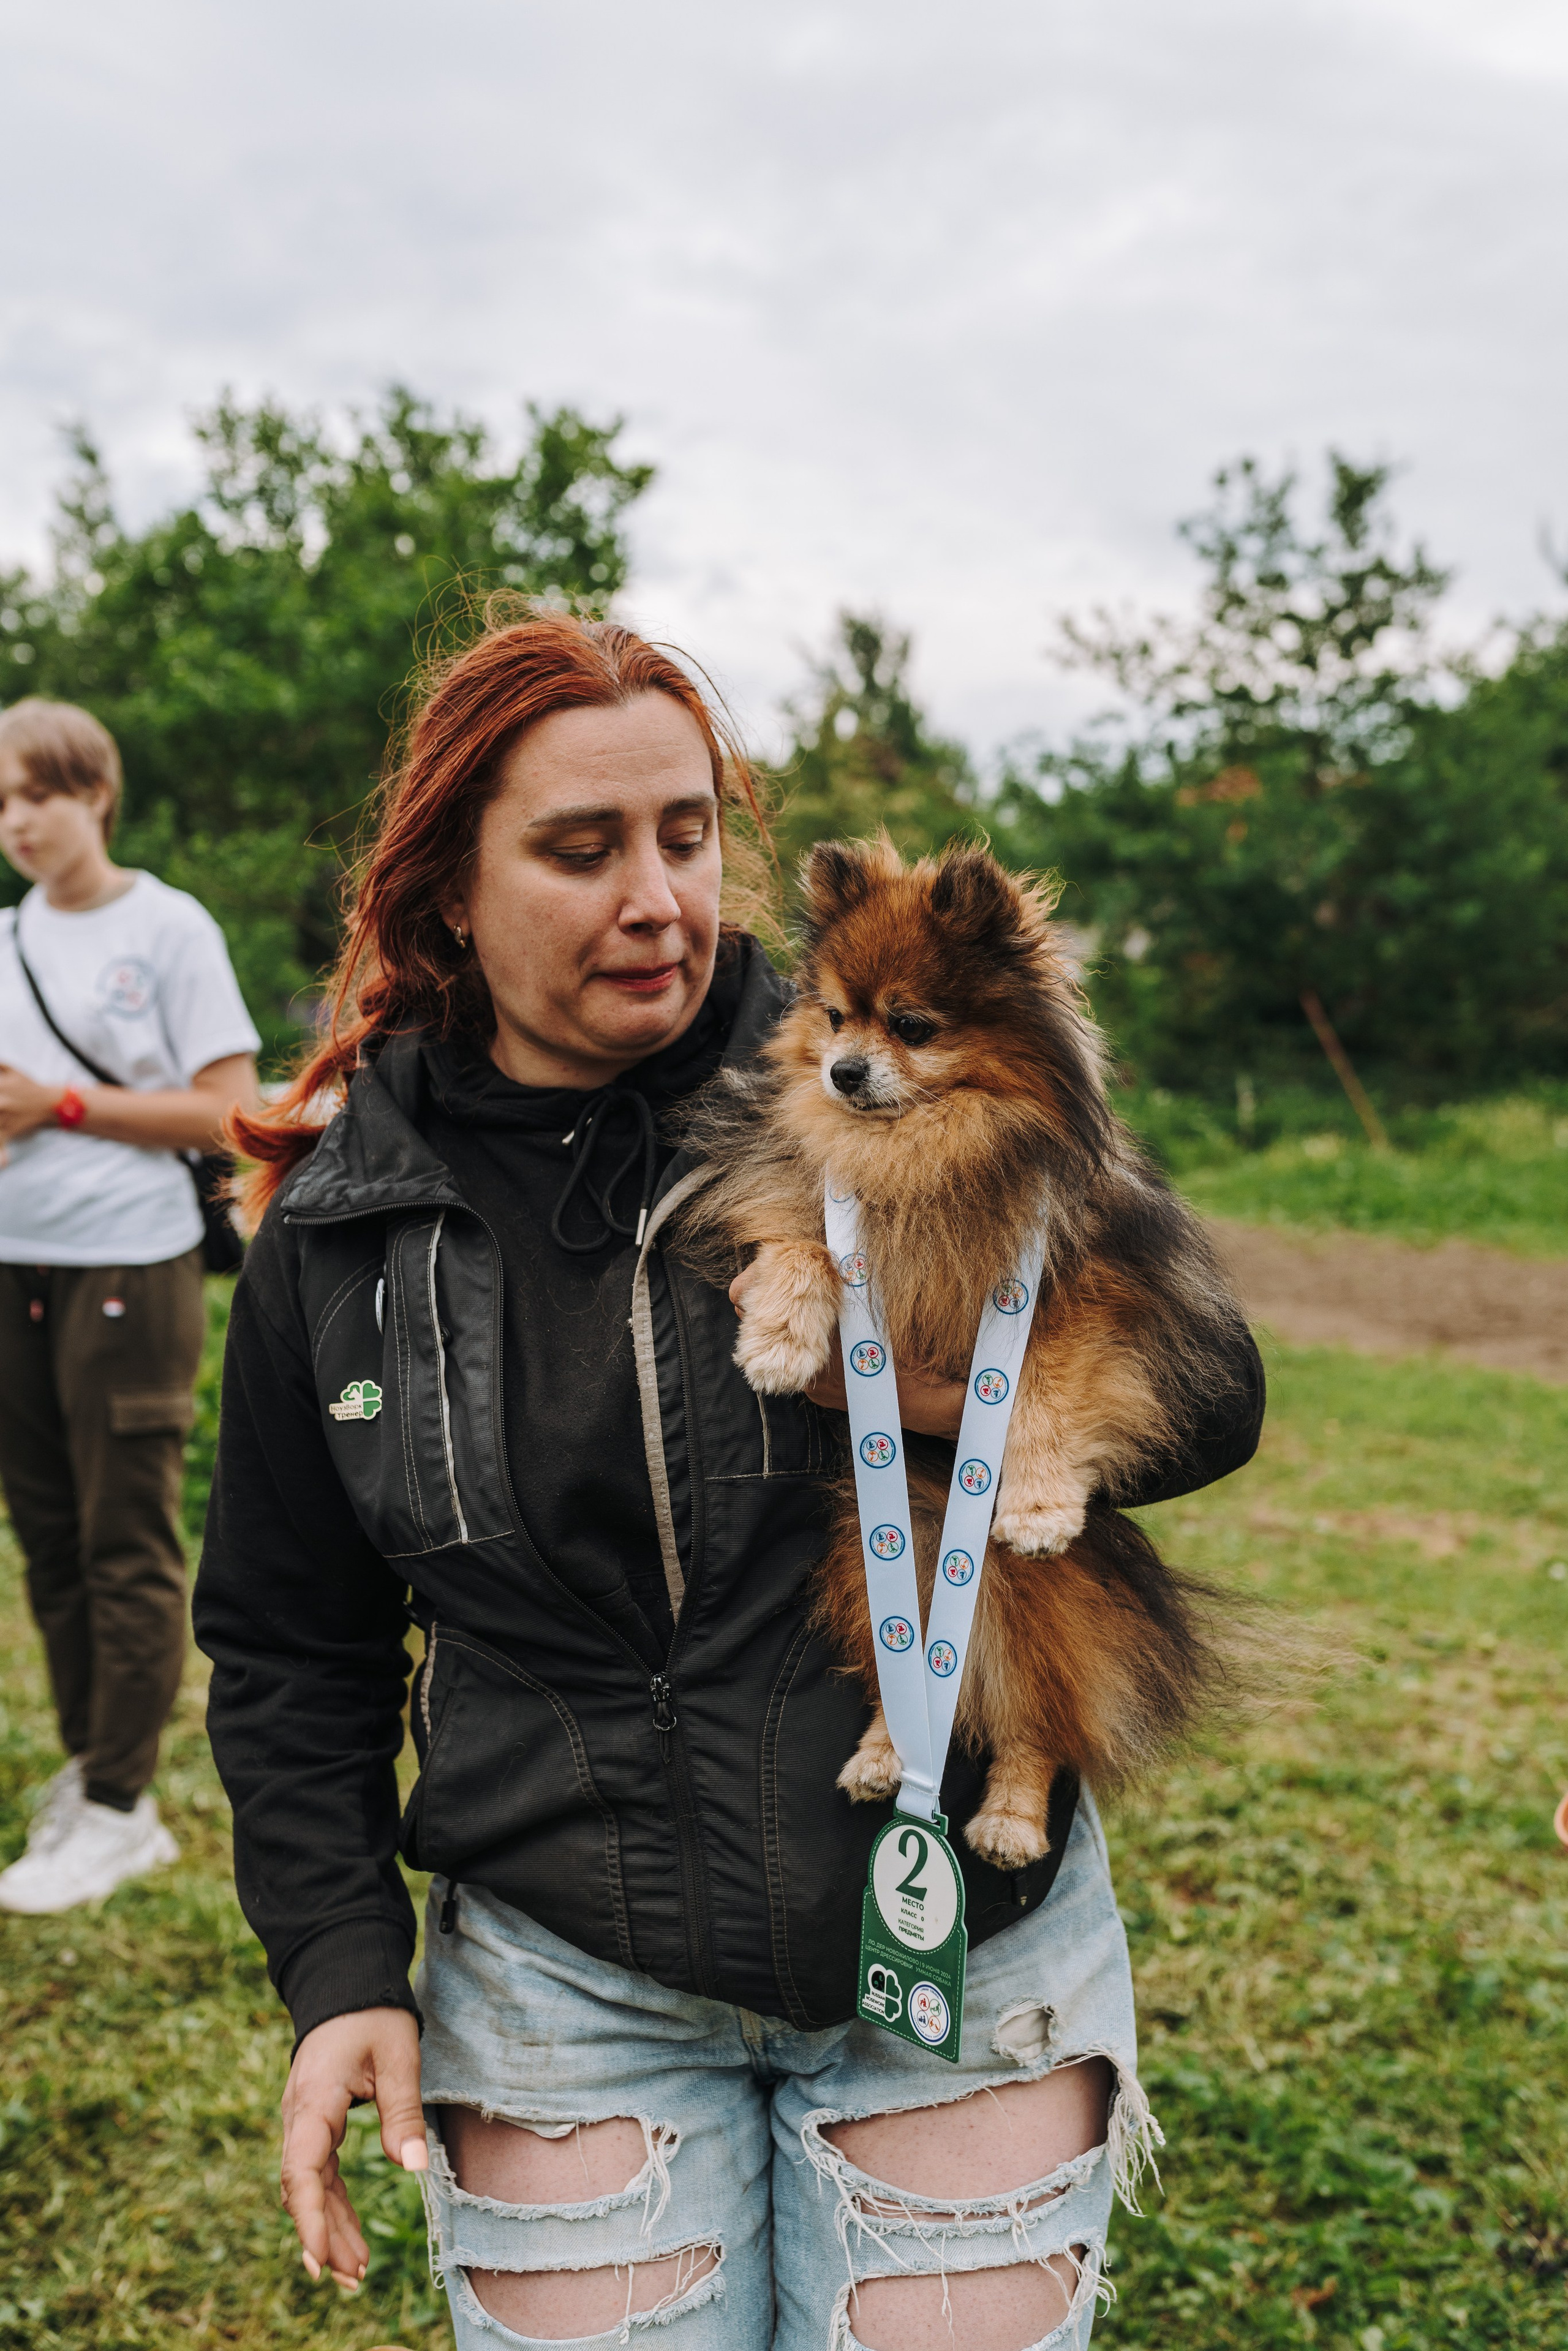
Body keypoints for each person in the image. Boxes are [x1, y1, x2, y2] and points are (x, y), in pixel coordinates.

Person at [194, 614, 1264, 2351]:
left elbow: (1214, 1391)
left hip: (954, 1932)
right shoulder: (343, 1226)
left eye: (685, 835)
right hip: (564, 1978)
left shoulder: (893, 1089)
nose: (657, 900)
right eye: (580, 850)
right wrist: (336, 1968)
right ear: (449, 891)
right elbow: (286, 1639)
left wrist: (929, 1377)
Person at [0, 698, 260, 1914]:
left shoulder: (167, 926)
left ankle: (121, 1807)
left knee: (124, 1538)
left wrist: (59, 1106)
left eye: (35, 794)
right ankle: (93, 1775)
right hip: (15, 1262)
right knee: (49, 1537)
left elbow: (231, 1109)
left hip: (129, 1262)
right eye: (1, 802)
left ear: (94, 794)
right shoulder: (8, 937)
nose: (16, 821)